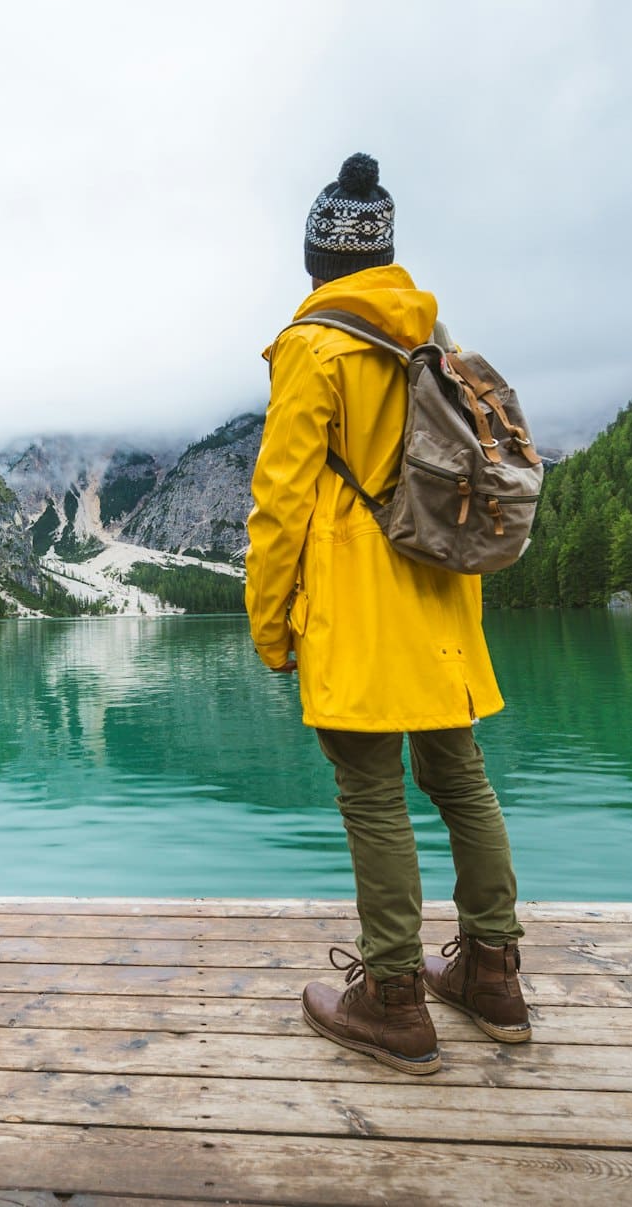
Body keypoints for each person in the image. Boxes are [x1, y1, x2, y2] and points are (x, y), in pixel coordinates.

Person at [244, 153, 530, 1075]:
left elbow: (281, 500)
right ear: (386, 256)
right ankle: (493, 973)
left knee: (372, 795)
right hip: (444, 599)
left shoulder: (311, 347)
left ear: (316, 260)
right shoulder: (430, 336)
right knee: (461, 781)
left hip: (360, 610)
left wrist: (271, 624)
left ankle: (396, 998)